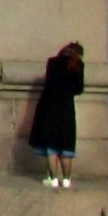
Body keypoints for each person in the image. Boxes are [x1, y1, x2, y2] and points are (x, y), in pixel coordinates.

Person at [31, 41, 86, 188]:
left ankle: (53, 179)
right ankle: (67, 180)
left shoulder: (52, 62)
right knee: (66, 149)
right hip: (67, 109)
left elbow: (49, 83)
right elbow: (79, 89)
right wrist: (69, 91)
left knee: (51, 148)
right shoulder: (78, 65)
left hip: (50, 108)